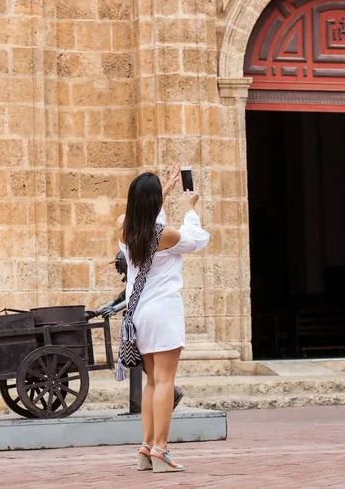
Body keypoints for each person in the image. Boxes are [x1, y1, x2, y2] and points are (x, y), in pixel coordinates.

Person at [117, 165, 210, 473]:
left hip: (138, 313)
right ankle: (161, 448)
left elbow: (143, 218)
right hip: (164, 312)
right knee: (166, 381)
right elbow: (196, 240)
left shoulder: (123, 227)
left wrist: (162, 194)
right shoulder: (167, 236)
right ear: (156, 202)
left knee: (152, 382)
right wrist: (191, 209)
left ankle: (146, 446)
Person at [87, 251, 184, 410]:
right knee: (143, 362)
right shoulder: (133, 280)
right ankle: (171, 393)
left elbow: (133, 297)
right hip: (136, 324)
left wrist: (115, 309)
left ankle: (170, 394)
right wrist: (95, 313)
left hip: (144, 324)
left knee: (146, 361)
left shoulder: (143, 278)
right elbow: (118, 300)